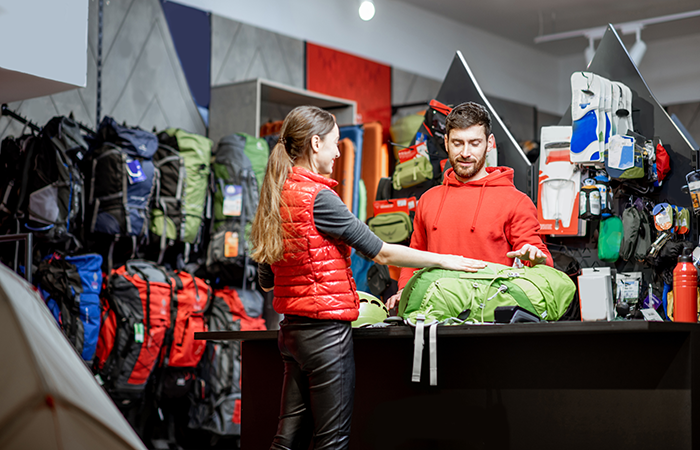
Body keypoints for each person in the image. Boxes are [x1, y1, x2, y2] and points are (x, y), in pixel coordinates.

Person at [250, 105, 485, 450]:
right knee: (332, 442)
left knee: (286, 440)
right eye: (334, 142)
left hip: (292, 334)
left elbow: (266, 280)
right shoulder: (319, 198)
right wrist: (447, 259)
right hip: (326, 335)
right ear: (316, 144)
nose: (338, 151)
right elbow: (383, 252)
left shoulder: (278, 194)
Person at [387, 101, 552, 309]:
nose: (465, 153)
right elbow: (416, 253)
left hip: (488, 316)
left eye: (474, 143)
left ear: (489, 143)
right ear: (446, 142)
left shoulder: (516, 202)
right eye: (458, 143)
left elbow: (541, 259)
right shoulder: (428, 199)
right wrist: (403, 290)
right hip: (434, 315)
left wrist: (536, 259)